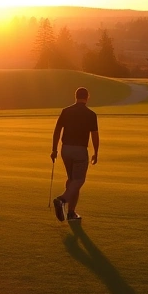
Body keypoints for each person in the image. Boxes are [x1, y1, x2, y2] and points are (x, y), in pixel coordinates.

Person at [51, 87, 99, 222]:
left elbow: (57, 131)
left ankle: (71, 213)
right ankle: (62, 200)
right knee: (79, 180)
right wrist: (96, 152)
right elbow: (94, 135)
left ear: (75, 96)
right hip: (80, 151)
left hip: (65, 149)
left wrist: (54, 150)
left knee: (72, 180)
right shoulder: (91, 114)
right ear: (87, 97)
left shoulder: (66, 111)